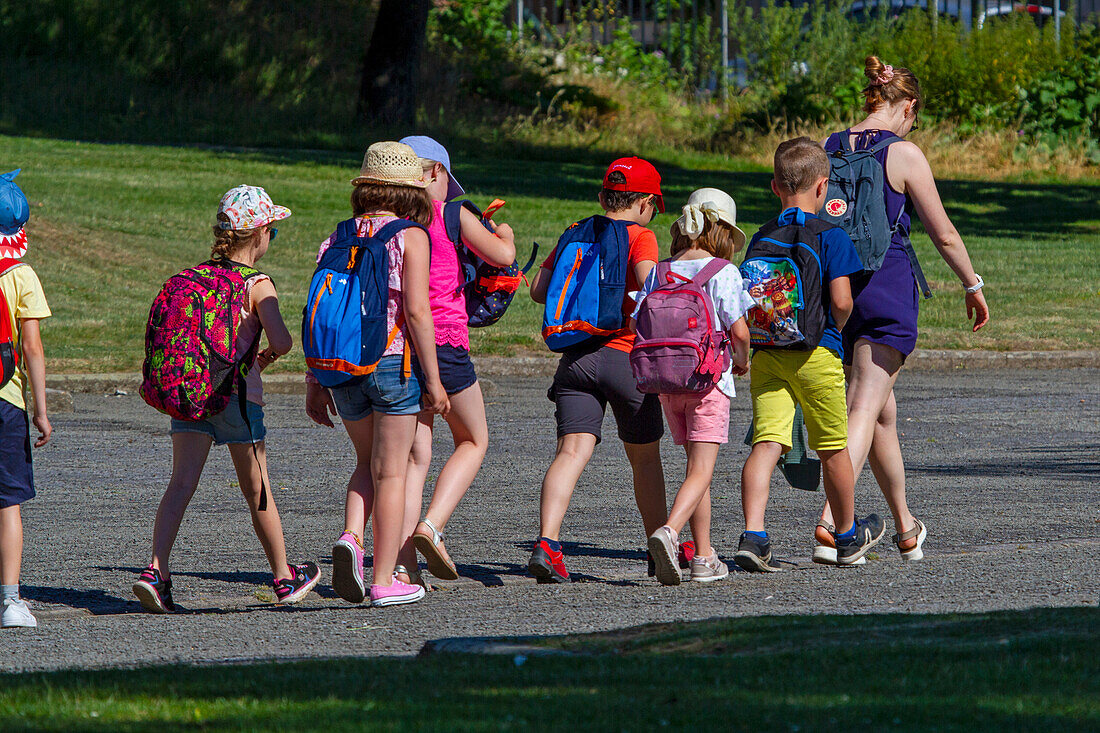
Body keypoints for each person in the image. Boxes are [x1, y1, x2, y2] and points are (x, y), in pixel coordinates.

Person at [814, 57, 990, 563]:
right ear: (907, 106)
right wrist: (972, 284)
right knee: (864, 408)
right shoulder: (905, 154)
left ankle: (906, 527)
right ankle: (832, 522)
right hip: (887, 289)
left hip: (836, 290)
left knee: (880, 412)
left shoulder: (827, 148)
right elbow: (945, 233)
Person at [133, 185, 320, 613]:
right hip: (239, 402)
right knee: (257, 490)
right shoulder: (258, 284)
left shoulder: (194, 278)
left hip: (192, 396)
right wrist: (266, 357)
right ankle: (284, 578)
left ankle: (156, 571)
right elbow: (284, 339)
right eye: (272, 230)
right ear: (259, 234)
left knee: (181, 484)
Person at [305, 142, 449, 608]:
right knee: (392, 474)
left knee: (366, 463)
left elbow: (320, 311)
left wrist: (314, 380)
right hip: (392, 364)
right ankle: (385, 580)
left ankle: (352, 537)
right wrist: (434, 379)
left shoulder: (338, 235)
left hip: (341, 368)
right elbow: (417, 312)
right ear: (412, 192)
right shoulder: (411, 236)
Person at [736, 138, 885, 572]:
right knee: (833, 448)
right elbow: (841, 301)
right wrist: (835, 331)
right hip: (818, 353)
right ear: (823, 187)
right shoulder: (832, 236)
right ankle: (845, 534)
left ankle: (755, 534)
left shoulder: (762, 236)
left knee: (767, 442)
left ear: (774, 187)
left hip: (768, 353)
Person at [527, 157, 667, 583]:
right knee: (644, 460)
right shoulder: (641, 236)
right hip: (625, 359)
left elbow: (538, 291)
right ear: (644, 201)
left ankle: (547, 543)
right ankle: (658, 547)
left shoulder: (574, 232)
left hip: (575, 361)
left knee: (570, 453)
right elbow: (649, 287)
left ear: (604, 196)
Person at [393, 136, 516, 586]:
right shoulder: (452, 213)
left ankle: (402, 563)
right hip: (444, 340)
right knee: (473, 439)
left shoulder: (391, 220)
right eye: (447, 178)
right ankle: (433, 525)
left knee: (414, 458)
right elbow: (503, 257)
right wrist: (506, 234)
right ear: (433, 174)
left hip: (400, 344)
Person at [634, 188, 752, 585]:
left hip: (668, 383)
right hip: (708, 382)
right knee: (702, 471)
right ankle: (669, 532)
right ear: (721, 233)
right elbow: (738, 329)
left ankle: (704, 557)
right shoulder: (723, 271)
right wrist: (742, 359)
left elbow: (637, 322)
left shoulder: (659, 270)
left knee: (693, 469)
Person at [0, 169, 50, 628]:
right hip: (6, 401)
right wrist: (41, 410)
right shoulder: (21, 275)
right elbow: (31, 347)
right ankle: (10, 600)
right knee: (7, 503)